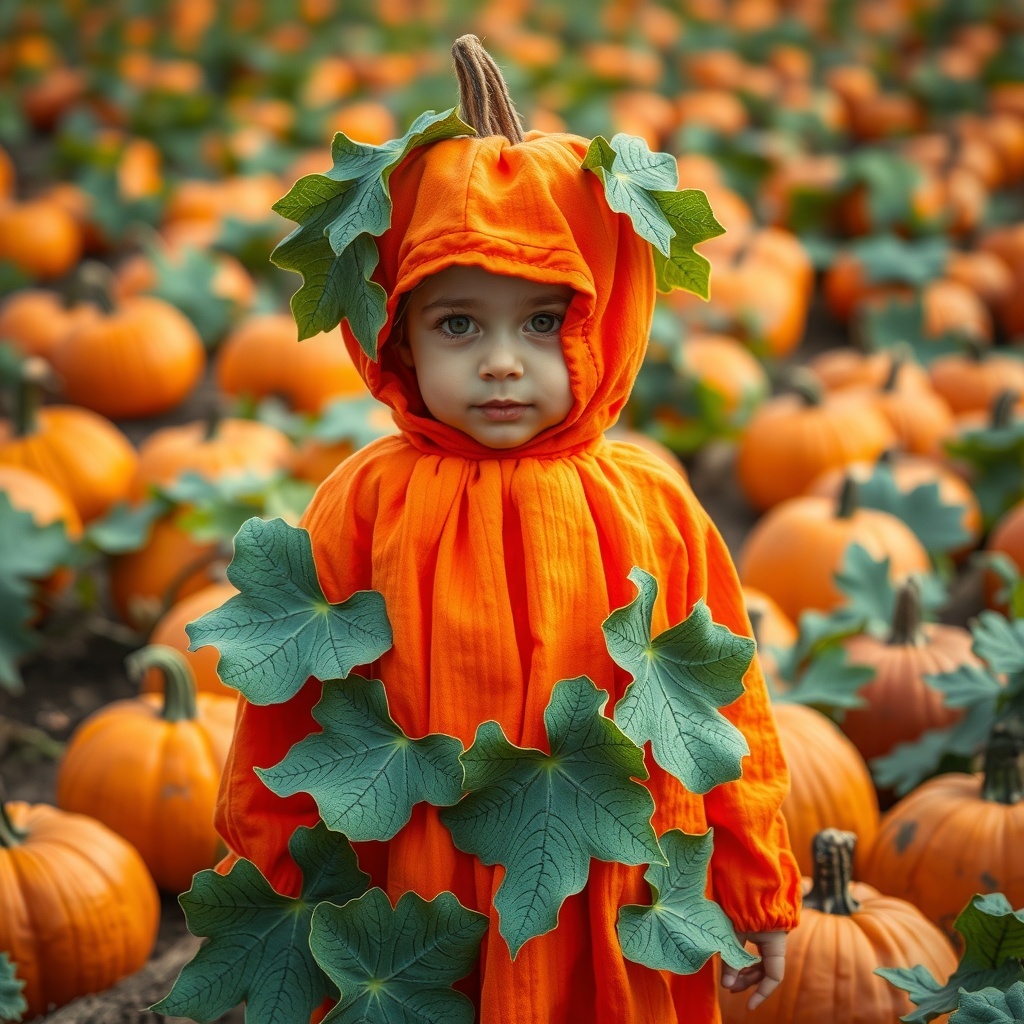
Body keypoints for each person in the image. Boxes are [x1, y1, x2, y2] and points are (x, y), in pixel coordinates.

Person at [214, 36, 800, 1024]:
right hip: (415, 888)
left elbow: (721, 715)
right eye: (457, 324)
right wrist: (267, 880)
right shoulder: (359, 504)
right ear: (393, 330)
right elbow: (285, 712)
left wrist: (753, 884)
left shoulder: (650, 501)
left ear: (605, 318)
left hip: (604, 885)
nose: (500, 363)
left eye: (540, 323)